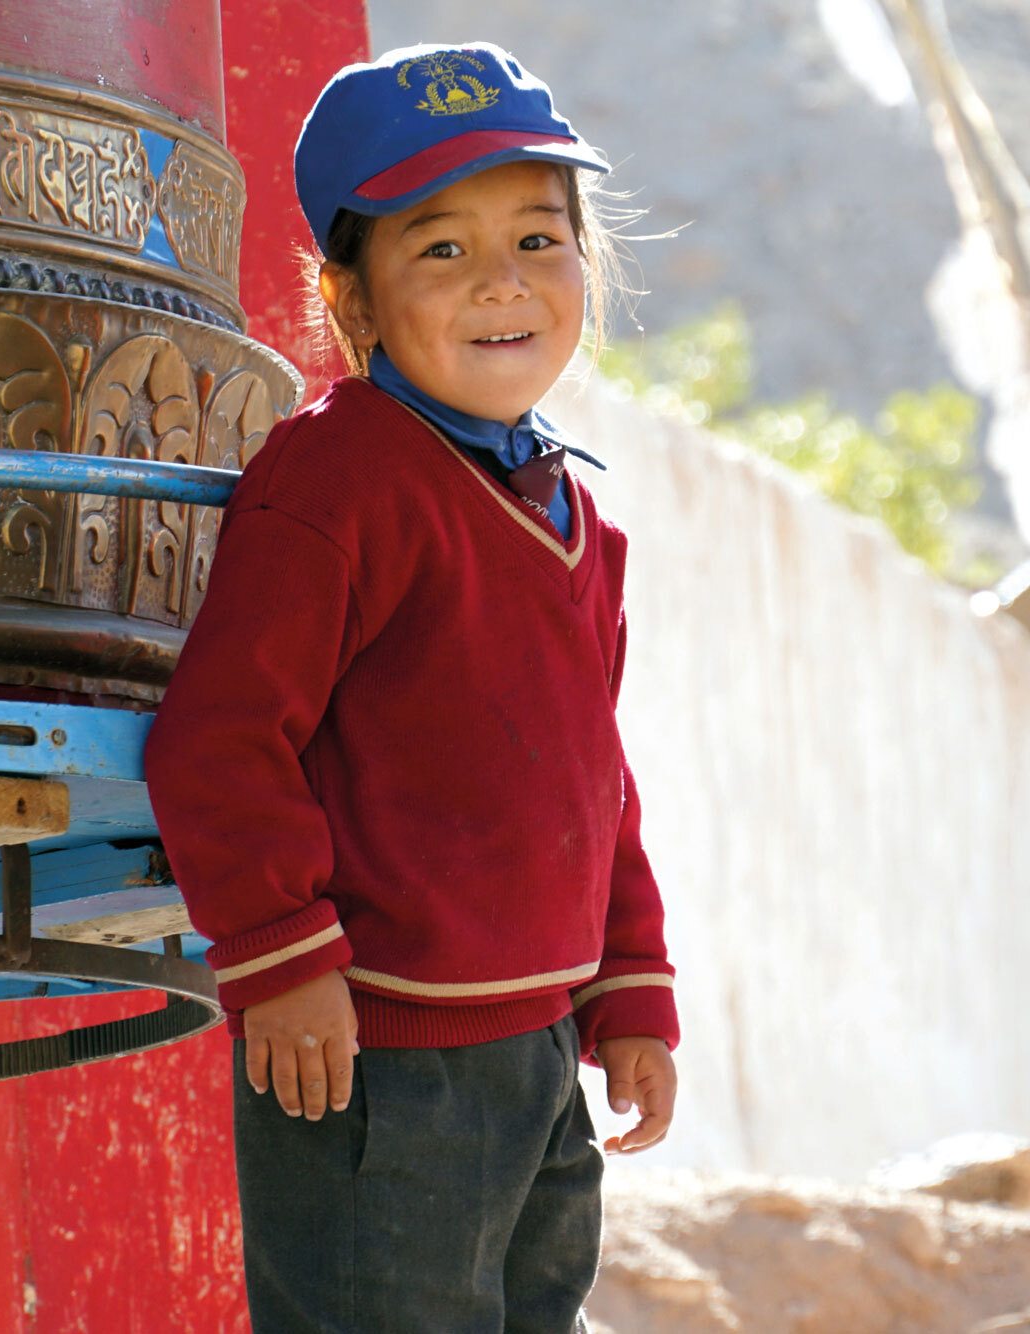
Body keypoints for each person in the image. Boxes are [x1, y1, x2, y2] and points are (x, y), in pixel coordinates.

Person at [144, 41, 679, 1333]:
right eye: (441, 248)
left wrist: (630, 984)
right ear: (351, 301)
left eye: (540, 240)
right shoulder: (335, 483)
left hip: (540, 1052)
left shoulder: (576, 519)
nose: (503, 279)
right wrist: (280, 955)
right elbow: (219, 739)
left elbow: (594, 781)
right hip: (375, 1060)